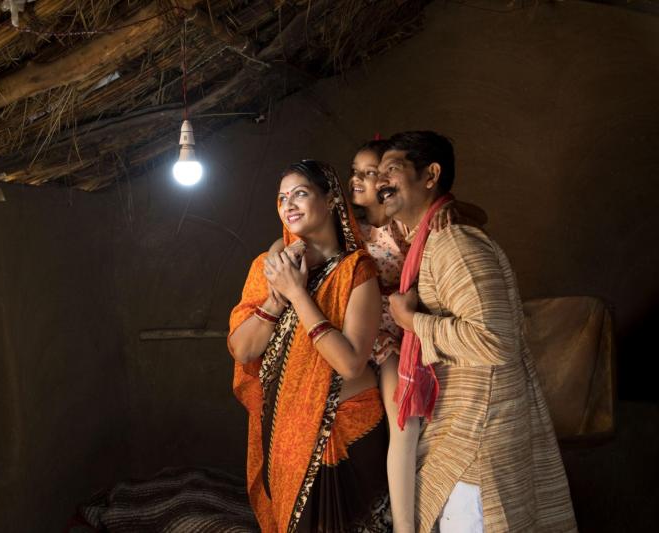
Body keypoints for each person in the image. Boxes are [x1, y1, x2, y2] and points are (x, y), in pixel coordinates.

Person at [268, 140, 486, 533]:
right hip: (353, 329)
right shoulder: (348, 225)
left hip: (390, 337)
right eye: (356, 171)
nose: (361, 179)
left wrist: (448, 206)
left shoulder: (403, 225)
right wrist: (276, 258)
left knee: (403, 423)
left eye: (373, 174)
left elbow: (474, 216)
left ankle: (404, 525)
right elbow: (288, 240)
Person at [378, 131, 577, 532]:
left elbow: (495, 341)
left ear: (430, 175)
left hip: (476, 443)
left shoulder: (454, 244)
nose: (381, 181)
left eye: (392, 170)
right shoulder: (429, 241)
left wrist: (412, 321)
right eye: (376, 173)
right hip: (462, 433)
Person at [228, 160, 391, 531]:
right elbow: (242, 350)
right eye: (282, 198)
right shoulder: (269, 267)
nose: (289, 204)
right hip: (286, 437)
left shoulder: (356, 270)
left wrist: (298, 294)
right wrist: (277, 298)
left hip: (343, 434)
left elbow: (350, 364)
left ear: (331, 199)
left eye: (300, 194)